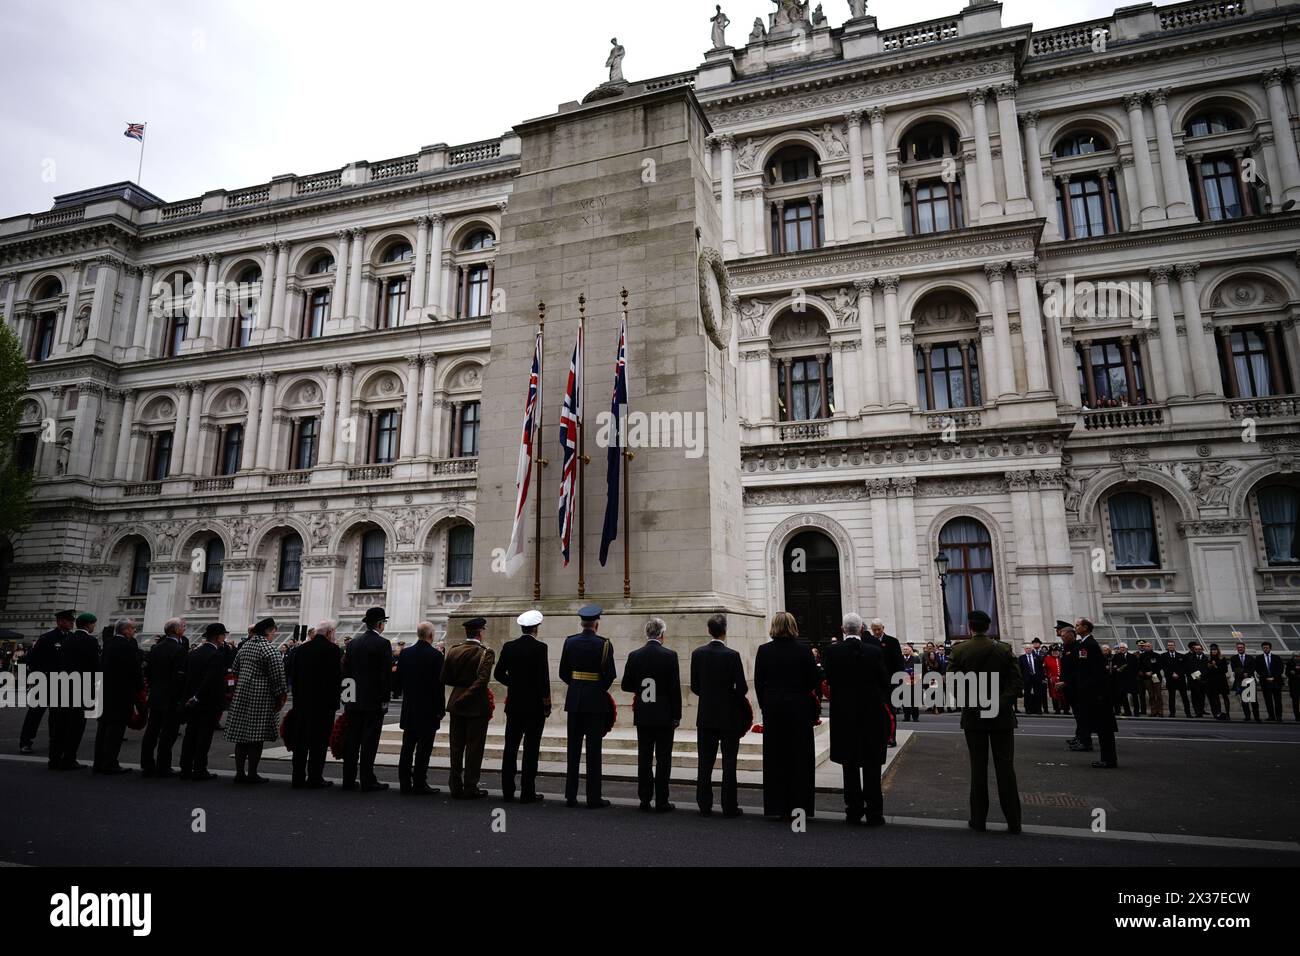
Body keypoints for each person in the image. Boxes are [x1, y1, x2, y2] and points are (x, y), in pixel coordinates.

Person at [948, 609, 1023, 833]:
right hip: (1001, 717)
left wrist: (974, 702)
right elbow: (1016, 684)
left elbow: (953, 684)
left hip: (974, 717)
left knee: (978, 768)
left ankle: (978, 819)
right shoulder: (1003, 649)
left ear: (970, 627)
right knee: (1006, 769)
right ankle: (1014, 821)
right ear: (988, 627)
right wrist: (999, 704)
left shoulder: (960, 650)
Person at [821, 612, 890, 826]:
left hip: (844, 716)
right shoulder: (874, 651)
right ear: (862, 629)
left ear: (843, 630)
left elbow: (829, 680)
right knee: (871, 764)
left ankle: (853, 810)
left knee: (849, 765)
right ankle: (874, 812)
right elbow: (884, 683)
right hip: (871, 715)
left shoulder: (831, 652)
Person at [753, 611, 819, 822]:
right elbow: (812, 681)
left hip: (774, 709)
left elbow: (759, 682)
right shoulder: (804, 650)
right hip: (799, 708)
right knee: (800, 758)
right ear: (793, 626)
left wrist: (766, 704)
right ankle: (800, 806)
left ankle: (777, 805)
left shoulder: (764, 651)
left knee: (776, 758)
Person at [690, 613, 748, 818]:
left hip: (705, 714)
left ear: (709, 631)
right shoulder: (732, 655)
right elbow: (742, 688)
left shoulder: (697, 654)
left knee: (705, 762)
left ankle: (704, 804)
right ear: (725, 631)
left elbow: (695, 687)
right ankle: (729, 805)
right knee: (729, 762)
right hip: (728, 716)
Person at [559, 604, 616, 809]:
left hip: (574, 700)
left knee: (573, 750)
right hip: (595, 702)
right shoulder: (604, 644)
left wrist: (577, 686)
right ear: (596, 624)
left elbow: (563, 673)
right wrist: (597, 689)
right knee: (593, 751)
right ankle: (593, 797)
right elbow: (609, 675)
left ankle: (570, 795)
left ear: (582, 623)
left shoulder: (570, 642)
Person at [622, 617, 681, 813]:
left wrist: (640, 688)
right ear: (662, 634)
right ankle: (662, 800)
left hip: (644, 712)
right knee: (664, 758)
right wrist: (676, 715)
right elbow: (674, 689)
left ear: (647, 633)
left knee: (644, 757)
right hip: (664, 714)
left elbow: (626, 684)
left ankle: (644, 798)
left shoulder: (635, 655)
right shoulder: (670, 655)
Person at [495, 610, 552, 803]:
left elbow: (498, 673)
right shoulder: (540, 648)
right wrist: (547, 703)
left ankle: (507, 790)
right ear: (535, 628)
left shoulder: (509, 647)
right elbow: (543, 679)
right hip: (534, 705)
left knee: (510, 747)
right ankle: (528, 791)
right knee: (531, 748)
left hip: (515, 704)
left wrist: (514, 683)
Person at [225, 617, 287, 784]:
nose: (274, 634)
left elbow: (236, 668)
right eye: (274, 630)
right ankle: (252, 773)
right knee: (256, 737)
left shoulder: (245, 647)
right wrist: (281, 695)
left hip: (242, 695)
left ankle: (239, 773)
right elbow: (277, 677)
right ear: (268, 631)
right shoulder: (269, 650)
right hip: (261, 696)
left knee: (241, 737)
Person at [341, 607, 393, 792]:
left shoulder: (353, 643)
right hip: (373, 701)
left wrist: (347, 698)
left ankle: (348, 779)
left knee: (352, 741)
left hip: (353, 699)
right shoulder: (383, 644)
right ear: (379, 624)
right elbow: (385, 676)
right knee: (369, 742)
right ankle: (367, 779)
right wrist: (385, 700)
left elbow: (346, 672)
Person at [442, 616, 495, 798]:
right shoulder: (485, 652)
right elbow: (482, 681)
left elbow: (445, 678)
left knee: (456, 746)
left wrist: (460, 691)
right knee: (474, 748)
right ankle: (470, 787)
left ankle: (455, 785)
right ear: (480, 633)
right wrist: (467, 696)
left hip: (456, 702)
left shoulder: (454, 650)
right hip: (475, 704)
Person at [289, 619, 343, 789]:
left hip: (302, 703)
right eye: (334, 632)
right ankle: (315, 777)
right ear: (329, 633)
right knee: (318, 743)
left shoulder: (300, 649)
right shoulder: (333, 650)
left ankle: (297, 777)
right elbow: (337, 679)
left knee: (301, 742)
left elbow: (293, 676)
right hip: (323, 705)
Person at [395, 621, 446, 795]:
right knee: (423, 749)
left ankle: (404, 782)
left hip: (409, 707)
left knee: (407, 747)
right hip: (428, 710)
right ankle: (419, 782)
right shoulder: (436, 656)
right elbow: (438, 686)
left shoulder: (406, 653)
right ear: (431, 635)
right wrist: (441, 708)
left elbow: (399, 680)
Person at [46, 612, 100, 771]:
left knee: (59, 724)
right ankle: (69, 758)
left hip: (62, 685)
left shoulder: (67, 639)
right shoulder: (90, 641)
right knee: (76, 725)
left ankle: (54, 758)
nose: (93, 627)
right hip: (80, 687)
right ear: (89, 625)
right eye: (93, 624)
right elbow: (94, 666)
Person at [179, 622, 230, 781]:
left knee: (191, 735)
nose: (224, 637)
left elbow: (186, 678)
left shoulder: (194, 653)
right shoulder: (215, 655)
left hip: (191, 701)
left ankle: (185, 767)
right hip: (207, 702)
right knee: (204, 737)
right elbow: (211, 680)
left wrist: (189, 697)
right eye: (223, 635)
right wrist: (198, 696)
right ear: (217, 637)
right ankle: (200, 769)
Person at [1062, 625, 1118, 768]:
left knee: (1104, 729)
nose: (1076, 628)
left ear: (1085, 628)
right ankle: (1107, 758)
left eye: (1078, 625)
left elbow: (1093, 671)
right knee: (1101, 728)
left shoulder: (1089, 644)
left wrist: (1093, 692)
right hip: (1096, 693)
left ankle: (1108, 759)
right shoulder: (1085, 644)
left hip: (1098, 694)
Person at [22, 609, 75, 756]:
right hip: (44, 681)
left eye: (72, 620)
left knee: (57, 716)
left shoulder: (71, 637)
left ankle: (55, 741)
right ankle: (26, 742)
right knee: (35, 714)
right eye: (68, 620)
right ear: (59, 621)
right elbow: (32, 659)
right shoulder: (47, 638)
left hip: (62, 682)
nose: (71, 622)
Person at [141, 617, 190, 777]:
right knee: (168, 733)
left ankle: (147, 763)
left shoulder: (156, 647)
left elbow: (148, 672)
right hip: (171, 698)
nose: (184, 628)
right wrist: (180, 698)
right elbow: (180, 677)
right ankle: (163, 765)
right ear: (176, 630)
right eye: (182, 626)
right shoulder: (179, 649)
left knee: (152, 731)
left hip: (156, 695)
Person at [93, 618, 143, 774]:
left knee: (103, 729)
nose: (134, 632)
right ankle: (109, 763)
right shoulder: (127, 646)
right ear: (126, 629)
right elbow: (134, 670)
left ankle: (99, 762)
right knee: (115, 731)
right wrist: (139, 689)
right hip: (121, 694)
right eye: (133, 629)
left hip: (106, 692)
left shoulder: (108, 643)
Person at [868, 619, 904, 745]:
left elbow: (899, 663)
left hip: (890, 683)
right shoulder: (869, 642)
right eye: (874, 629)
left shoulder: (892, 642)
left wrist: (898, 682)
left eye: (879, 629)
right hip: (875, 683)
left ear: (883, 628)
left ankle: (891, 737)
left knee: (890, 711)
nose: (877, 632)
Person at [1160, 639, 1192, 718]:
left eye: (1172, 645)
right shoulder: (1163, 656)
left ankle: (1188, 713)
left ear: (1175, 646)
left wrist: (1178, 674)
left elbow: (1184, 667)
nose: (1171, 646)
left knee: (1184, 697)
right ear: (1167, 647)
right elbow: (1164, 667)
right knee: (1171, 697)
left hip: (1180, 679)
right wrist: (1172, 674)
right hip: (1170, 679)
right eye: (1169, 645)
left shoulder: (1181, 656)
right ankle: (1172, 713)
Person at [1230, 639, 1259, 722]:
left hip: (1250, 680)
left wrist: (1247, 673)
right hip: (1240, 681)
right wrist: (1242, 673)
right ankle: (1247, 717)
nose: (1240, 649)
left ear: (1244, 648)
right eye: (1239, 647)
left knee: (1253, 700)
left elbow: (1253, 667)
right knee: (1244, 700)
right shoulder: (1233, 658)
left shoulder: (1250, 658)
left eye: (1242, 647)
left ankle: (1257, 717)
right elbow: (1234, 668)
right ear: (1237, 648)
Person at [1255, 641, 1285, 722]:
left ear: (1270, 648)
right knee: (1268, 701)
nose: (1265, 649)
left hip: (1276, 682)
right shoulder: (1258, 658)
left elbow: (1280, 669)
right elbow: (1258, 670)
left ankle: (1279, 716)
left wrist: (1273, 677)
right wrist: (1266, 677)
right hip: (1265, 682)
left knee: (1278, 700)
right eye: (1264, 648)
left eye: (1267, 648)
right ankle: (1271, 716)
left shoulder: (1276, 657)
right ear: (1262, 648)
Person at [1137, 640, 1164, 717]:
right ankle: (1153, 711)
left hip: (1155, 676)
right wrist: (1145, 672)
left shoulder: (1157, 655)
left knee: (1158, 694)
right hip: (1146, 677)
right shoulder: (1141, 656)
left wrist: (1151, 672)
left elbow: (1159, 666)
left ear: (1151, 647)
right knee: (1151, 695)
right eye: (1145, 646)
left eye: (1148, 646)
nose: (1147, 647)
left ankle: (1160, 711)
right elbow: (1140, 666)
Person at [1205, 644, 1231, 721]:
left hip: (1222, 680)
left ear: (1217, 650)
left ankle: (1228, 713)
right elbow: (1208, 671)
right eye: (1212, 650)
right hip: (1213, 681)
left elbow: (1225, 670)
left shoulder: (1222, 659)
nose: (1214, 651)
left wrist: (1215, 666)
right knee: (1216, 698)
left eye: (1215, 650)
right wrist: (1209, 666)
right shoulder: (1209, 659)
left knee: (1225, 697)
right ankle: (1218, 713)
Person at [1185, 641, 1211, 717]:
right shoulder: (1190, 658)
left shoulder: (1206, 658)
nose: (1198, 650)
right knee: (1195, 697)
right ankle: (1197, 712)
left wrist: (1201, 676)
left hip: (1203, 680)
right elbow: (1189, 669)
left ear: (1202, 649)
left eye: (1199, 649)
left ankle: (1201, 711)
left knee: (1202, 697)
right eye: (1196, 649)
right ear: (1194, 650)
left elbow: (1207, 669)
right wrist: (1196, 676)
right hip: (1194, 680)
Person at [1019, 643, 1046, 715]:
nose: (1028, 649)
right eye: (1027, 648)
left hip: (1036, 678)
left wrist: (1042, 678)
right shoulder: (1021, 658)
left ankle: (1038, 709)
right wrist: (1021, 679)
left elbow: (1041, 668)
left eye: (1030, 648)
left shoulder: (1036, 657)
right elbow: (1020, 670)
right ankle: (1028, 709)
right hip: (1027, 678)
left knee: (1038, 694)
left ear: (1032, 649)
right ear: (1025, 650)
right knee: (1027, 694)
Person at [899, 644, 920, 722]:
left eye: (906, 649)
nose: (905, 651)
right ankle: (906, 716)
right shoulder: (900, 659)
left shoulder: (915, 659)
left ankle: (915, 717)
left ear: (910, 650)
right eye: (904, 649)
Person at [1286, 653, 1300, 722]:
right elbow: (1287, 673)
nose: (1297, 658)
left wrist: (1294, 672)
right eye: (1295, 657)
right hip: (1293, 685)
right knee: (1295, 702)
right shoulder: (1290, 663)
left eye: (1298, 656)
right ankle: (1297, 716)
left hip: (1295, 683)